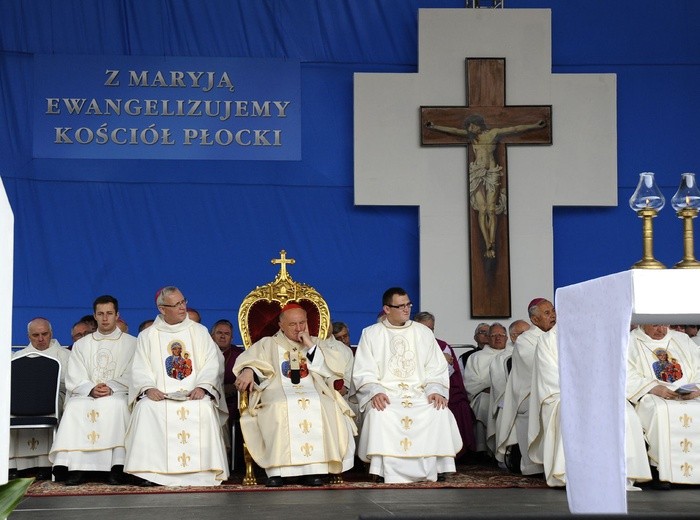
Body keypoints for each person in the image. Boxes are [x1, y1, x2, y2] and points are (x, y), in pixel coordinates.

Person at [233, 303, 357, 487]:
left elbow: (331, 371)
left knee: (324, 405)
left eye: (302, 323)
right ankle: (277, 471)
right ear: (281, 325)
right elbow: (254, 363)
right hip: (276, 391)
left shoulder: (315, 343)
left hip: (313, 390)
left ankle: (314, 470)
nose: (299, 328)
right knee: (279, 406)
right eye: (293, 324)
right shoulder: (268, 344)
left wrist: (310, 345)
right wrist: (249, 370)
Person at [352, 288, 462, 483]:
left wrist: (435, 389)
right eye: (400, 306)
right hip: (386, 393)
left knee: (439, 411)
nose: (406, 309)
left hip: (419, 393)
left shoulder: (423, 333)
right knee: (380, 413)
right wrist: (375, 391)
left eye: (408, 304)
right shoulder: (371, 334)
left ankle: (438, 467)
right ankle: (381, 469)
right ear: (387, 308)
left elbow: (435, 368)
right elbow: (364, 370)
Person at [124, 287, 229, 486]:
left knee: (205, 407)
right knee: (146, 408)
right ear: (163, 309)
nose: (183, 308)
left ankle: (204, 471)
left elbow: (211, 363)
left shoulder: (199, 332)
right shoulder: (148, 335)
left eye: (183, 302)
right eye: (176, 304)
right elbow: (139, 368)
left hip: (193, 393)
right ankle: (151, 473)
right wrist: (148, 388)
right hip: (160, 394)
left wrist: (204, 387)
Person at [529, 325, 651, 489]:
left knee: (625, 412)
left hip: (599, 393)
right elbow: (549, 375)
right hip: (563, 394)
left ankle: (618, 474)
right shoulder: (548, 340)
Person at [426, 116, 546, 258]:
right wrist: (434, 126)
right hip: (476, 173)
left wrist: (535, 125)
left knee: (491, 209)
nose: (469, 129)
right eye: (468, 127)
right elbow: (453, 130)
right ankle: (487, 243)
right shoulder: (472, 137)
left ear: (479, 125)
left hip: (492, 173)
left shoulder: (493, 133)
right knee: (482, 210)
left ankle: (492, 242)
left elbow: (514, 128)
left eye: (472, 126)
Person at [49, 295, 137, 486]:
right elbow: (75, 374)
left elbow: (134, 373)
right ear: (95, 316)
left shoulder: (133, 343)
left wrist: (111, 387)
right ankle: (76, 467)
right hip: (87, 393)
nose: (105, 318)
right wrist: (90, 388)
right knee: (74, 406)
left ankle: (117, 467)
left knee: (118, 405)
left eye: (109, 313)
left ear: (117, 315)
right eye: (101, 314)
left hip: (118, 393)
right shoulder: (82, 344)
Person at [627, 324, 700, 488]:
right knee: (660, 411)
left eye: (664, 325)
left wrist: (697, 387)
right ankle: (662, 471)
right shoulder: (630, 341)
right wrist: (654, 388)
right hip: (652, 393)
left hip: (689, 393)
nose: (661, 330)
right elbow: (625, 373)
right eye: (655, 326)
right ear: (643, 323)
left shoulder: (681, 339)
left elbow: (698, 366)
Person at [496, 298, 555, 474]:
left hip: (553, 389)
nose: (553, 316)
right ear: (534, 320)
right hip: (529, 394)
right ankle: (538, 465)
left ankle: (560, 463)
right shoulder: (525, 340)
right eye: (547, 313)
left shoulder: (558, 335)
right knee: (551, 406)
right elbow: (540, 369)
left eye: (553, 311)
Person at [9, 318, 71, 480]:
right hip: (22, 401)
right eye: (35, 335)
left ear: (51, 333)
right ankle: (15, 465)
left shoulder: (65, 355)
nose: (41, 338)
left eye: (44, 334)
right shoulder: (18, 357)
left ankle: (47, 464)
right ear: (29, 337)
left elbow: (70, 382)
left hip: (55, 397)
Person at [413, 311, 476, 457]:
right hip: (413, 389)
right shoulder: (409, 343)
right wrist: (441, 359)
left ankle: (446, 453)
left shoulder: (442, 346)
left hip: (435, 388)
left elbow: (445, 374)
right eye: (425, 328)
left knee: (454, 405)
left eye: (431, 329)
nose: (429, 332)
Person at [464, 322, 508, 457]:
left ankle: (507, 449)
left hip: (509, 395)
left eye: (501, 335)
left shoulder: (513, 354)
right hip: (484, 394)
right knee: (484, 402)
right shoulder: (476, 357)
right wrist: (487, 387)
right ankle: (483, 449)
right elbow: (471, 382)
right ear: (488, 338)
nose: (498, 338)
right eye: (494, 335)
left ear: (507, 338)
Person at [486, 321, 528, 457]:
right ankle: (513, 455)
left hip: (533, 396)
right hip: (510, 398)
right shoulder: (502, 359)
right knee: (507, 409)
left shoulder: (536, 350)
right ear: (514, 336)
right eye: (524, 334)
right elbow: (501, 388)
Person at [211, 319, 245, 467]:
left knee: (221, 415)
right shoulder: (204, 351)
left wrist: (228, 389)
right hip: (207, 397)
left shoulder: (240, 354)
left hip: (232, 400)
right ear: (212, 336)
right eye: (219, 333)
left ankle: (222, 458)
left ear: (232, 338)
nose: (223, 336)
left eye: (227, 334)